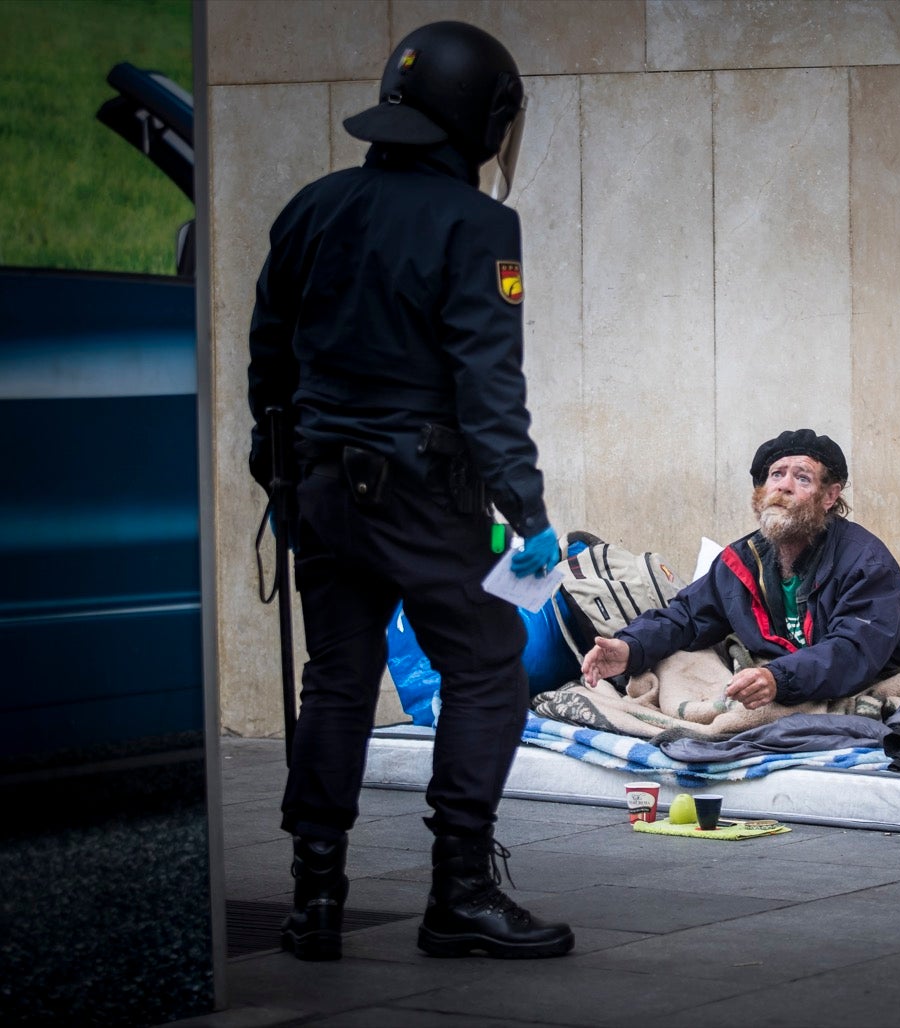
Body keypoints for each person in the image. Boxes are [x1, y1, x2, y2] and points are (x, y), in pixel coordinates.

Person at [247, 20, 573, 962]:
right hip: (423, 495)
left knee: (337, 681)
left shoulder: (312, 206)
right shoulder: (479, 226)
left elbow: (269, 360)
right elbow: (488, 385)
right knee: (487, 669)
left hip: (318, 487)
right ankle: (459, 894)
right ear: (479, 119)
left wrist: (280, 473)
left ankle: (315, 902)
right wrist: (529, 512)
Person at [579, 429, 900, 707]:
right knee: (677, 663)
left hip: (861, 677)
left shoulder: (866, 563)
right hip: (784, 674)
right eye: (776, 475)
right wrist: (629, 648)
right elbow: (687, 616)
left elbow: (853, 652)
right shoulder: (742, 559)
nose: (783, 486)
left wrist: (778, 678)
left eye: (803, 478)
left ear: (829, 497)